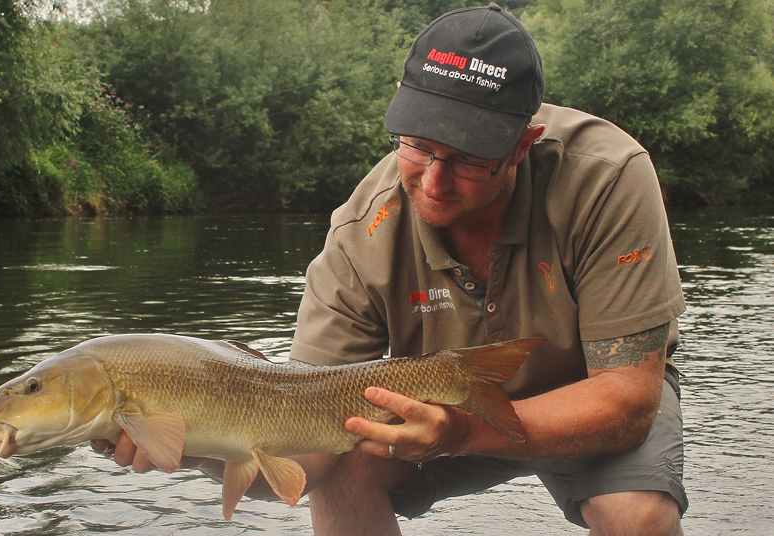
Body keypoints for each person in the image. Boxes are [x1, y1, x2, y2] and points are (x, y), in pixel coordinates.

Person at [94, 6, 688, 535]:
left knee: (638, 516)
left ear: (523, 144)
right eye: (418, 146)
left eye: (468, 161)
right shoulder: (359, 237)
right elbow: (307, 455)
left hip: (585, 399)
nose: (432, 182)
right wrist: (191, 443)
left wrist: (466, 432)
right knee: (344, 473)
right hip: (433, 411)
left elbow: (628, 398)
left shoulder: (607, 176)